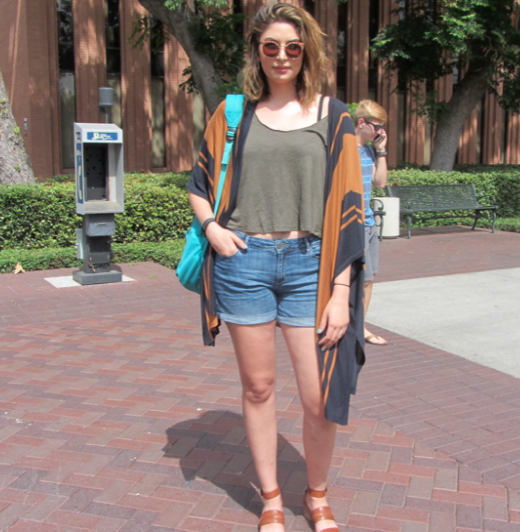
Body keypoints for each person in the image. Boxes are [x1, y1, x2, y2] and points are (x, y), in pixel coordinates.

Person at [186, 4, 366, 532]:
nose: (282, 56)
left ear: (305, 50)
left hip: (313, 266)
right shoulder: (233, 113)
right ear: (257, 52)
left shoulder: (335, 116)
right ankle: (269, 498)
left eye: (292, 47)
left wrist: (340, 291)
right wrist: (214, 231)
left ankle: (316, 494)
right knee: (259, 387)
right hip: (245, 262)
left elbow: (350, 205)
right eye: (271, 47)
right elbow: (199, 186)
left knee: (317, 396)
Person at [353, 100, 389, 346]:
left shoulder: (368, 150)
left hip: (368, 222)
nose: (380, 132)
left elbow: (380, 183)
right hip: (351, 224)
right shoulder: (344, 149)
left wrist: (382, 150)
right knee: (352, 278)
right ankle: (349, 326)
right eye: (377, 127)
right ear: (362, 123)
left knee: (369, 278)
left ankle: (360, 326)